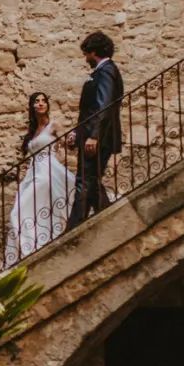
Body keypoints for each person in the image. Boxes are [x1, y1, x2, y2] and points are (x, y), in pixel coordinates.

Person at [4, 91, 73, 266]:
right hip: (33, 172)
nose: (41, 103)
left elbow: (69, 144)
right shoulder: (33, 131)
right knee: (35, 209)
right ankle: (37, 244)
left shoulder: (54, 125)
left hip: (47, 172)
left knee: (18, 212)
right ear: (32, 106)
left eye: (44, 101)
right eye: (37, 101)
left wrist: (73, 139)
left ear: (47, 105)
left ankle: (30, 248)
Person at [66, 31, 124, 228]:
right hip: (93, 136)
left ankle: (73, 229)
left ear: (94, 52)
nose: (86, 59)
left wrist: (94, 136)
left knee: (84, 181)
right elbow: (90, 110)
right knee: (90, 181)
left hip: (99, 138)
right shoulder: (103, 71)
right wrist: (77, 132)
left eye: (86, 54)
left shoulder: (106, 71)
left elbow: (103, 105)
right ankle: (110, 222)